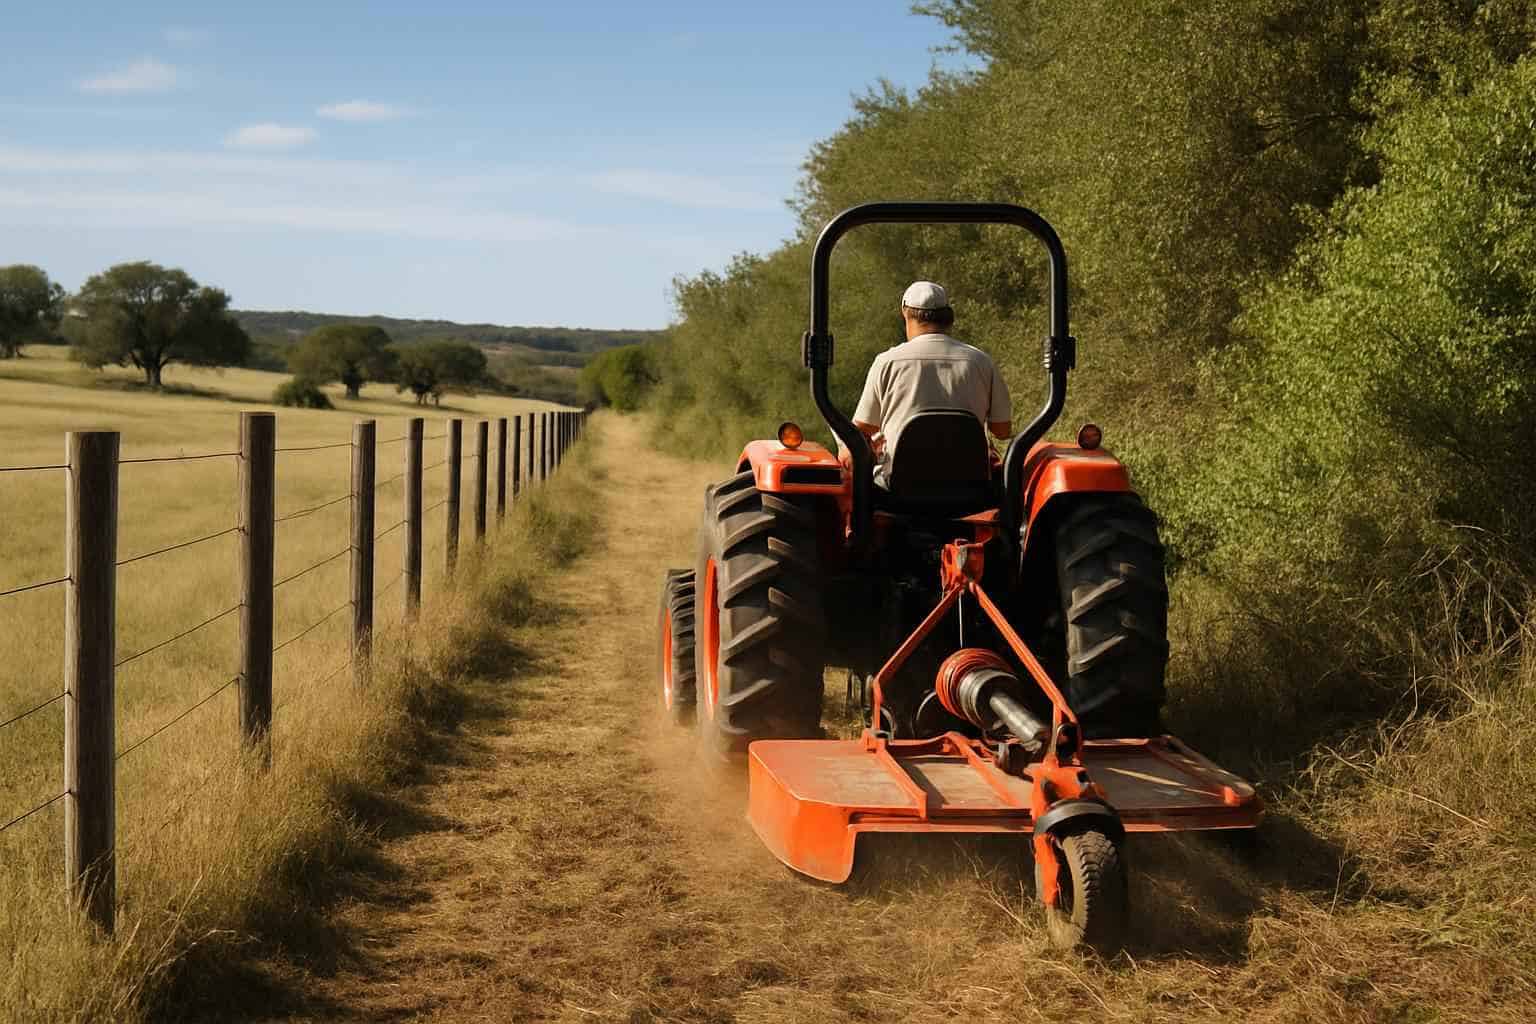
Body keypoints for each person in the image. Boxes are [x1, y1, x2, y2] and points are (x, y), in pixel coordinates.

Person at [843, 281, 1012, 489]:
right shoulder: (981, 362)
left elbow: (861, 430)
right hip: (968, 486)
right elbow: (1002, 430)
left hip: (900, 487)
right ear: (948, 316)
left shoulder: (887, 362)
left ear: (906, 313)